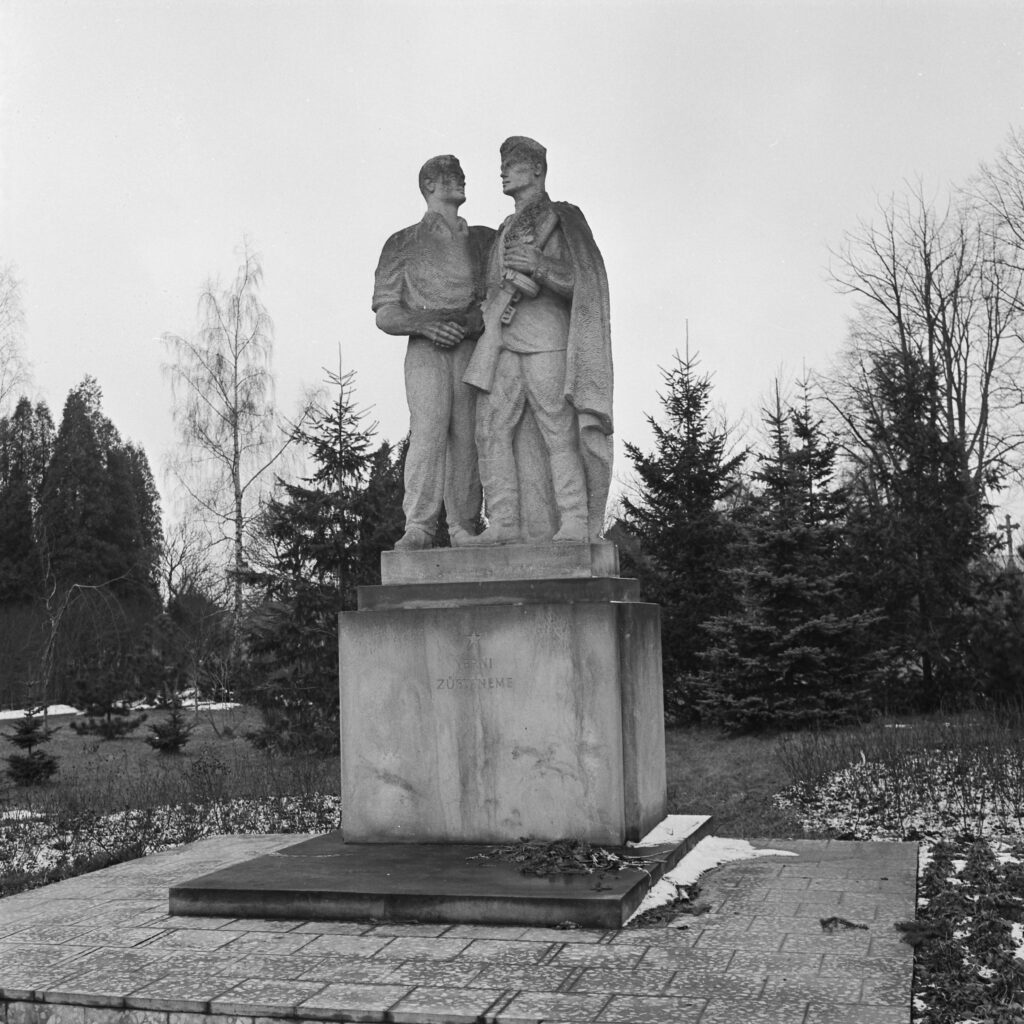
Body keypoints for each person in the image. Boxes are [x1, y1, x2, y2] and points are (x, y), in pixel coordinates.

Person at [463, 136, 613, 545]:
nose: (503, 171)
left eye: (512, 164)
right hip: (504, 343)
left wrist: (541, 266)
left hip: (548, 342)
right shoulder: (505, 228)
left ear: (537, 171)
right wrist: (492, 305)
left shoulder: (562, 218)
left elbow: (583, 282)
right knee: (491, 431)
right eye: (503, 164)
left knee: (558, 434)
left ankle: (575, 520)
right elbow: (492, 288)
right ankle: (505, 523)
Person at [372, 155, 495, 549]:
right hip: (426, 351)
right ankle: (419, 526)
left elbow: (498, 295)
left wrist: (476, 320)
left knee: (468, 436)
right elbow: (386, 311)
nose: (461, 180)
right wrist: (424, 324)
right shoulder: (402, 243)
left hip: (470, 349)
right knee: (427, 432)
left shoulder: (483, 240)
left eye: (461, 175)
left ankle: (463, 526)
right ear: (428, 185)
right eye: (450, 176)